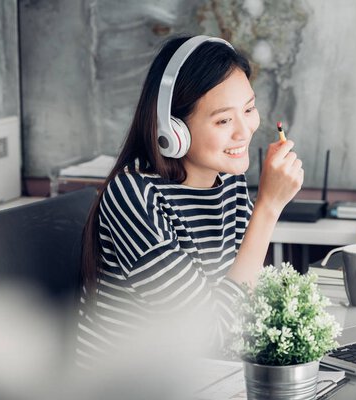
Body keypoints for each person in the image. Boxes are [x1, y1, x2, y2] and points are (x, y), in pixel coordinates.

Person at [75, 35, 303, 367]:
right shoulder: (134, 196)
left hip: (199, 376)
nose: (245, 130)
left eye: (249, 109)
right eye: (224, 120)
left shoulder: (228, 182)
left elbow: (244, 296)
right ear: (173, 129)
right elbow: (208, 334)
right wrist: (268, 208)